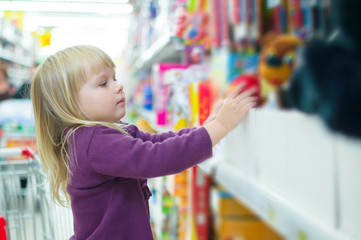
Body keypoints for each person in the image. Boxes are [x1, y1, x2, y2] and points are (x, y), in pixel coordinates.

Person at [30, 45, 257, 240]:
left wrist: (204, 128)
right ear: (69, 103)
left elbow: (156, 142)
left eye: (115, 78)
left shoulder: (107, 133)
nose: (118, 86)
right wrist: (219, 128)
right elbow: (155, 159)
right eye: (103, 83)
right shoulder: (92, 142)